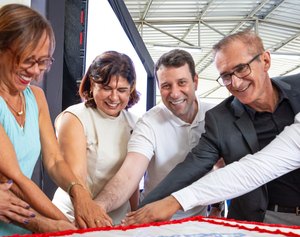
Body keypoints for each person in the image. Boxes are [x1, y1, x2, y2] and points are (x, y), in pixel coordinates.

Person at [123, 29, 300, 226]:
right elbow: (191, 167)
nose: (235, 83)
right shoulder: (219, 118)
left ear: (265, 61)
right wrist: (142, 211)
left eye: (241, 68)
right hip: (261, 219)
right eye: (226, 76)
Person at [0, 4, 112, 236]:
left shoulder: (36, 97)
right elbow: (16, 179)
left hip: (22, 221)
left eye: (43, 62)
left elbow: (54, 160)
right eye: (28, 60)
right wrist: (64, 226)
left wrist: (79, 193)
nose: (35, 72)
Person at [94, 49, 222, 221]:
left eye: (182, 82)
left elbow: (225, 167)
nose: (175, 93)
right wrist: (98, 207)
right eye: (166, 86)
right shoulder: (149, 123)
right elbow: (129, 175)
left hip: (198, 221)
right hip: (154, 221)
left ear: (195, 81)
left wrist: (216, 207)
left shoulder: (216, 115)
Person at [124, 113, 300, 225]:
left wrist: (174, 202)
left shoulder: (212, 113)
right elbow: (253, 169)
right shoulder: (149, 120)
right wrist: (169, 202)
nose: (235, 82)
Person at [52, 51, 140, 225]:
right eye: (107, 88)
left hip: (117, 222)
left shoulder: (134, 123)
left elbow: (132, 180)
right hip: (73, 217)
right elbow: (78, 181)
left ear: (131, 89)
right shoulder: (75, 117)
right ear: (92, 84)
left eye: (122, 90)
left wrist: (136, 217)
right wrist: (90, 219)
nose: (114, 97)